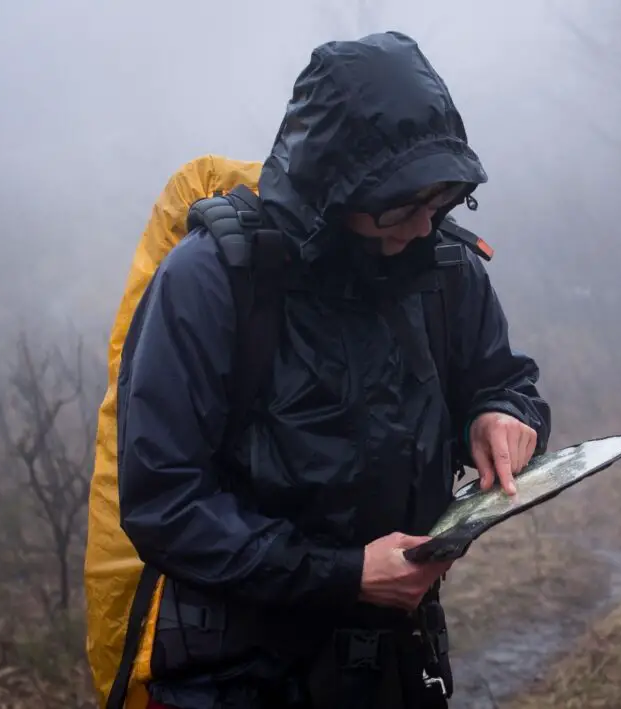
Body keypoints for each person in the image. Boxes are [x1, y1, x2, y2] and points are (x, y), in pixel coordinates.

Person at [115, 30, 551, 709]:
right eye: (400, 205)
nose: (420, 226)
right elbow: (164, 500)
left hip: (394, 666)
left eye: (436, 203)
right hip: (231, 678)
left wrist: (506, 413)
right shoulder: (211, 282)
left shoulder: (444, 269)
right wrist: (344, 574)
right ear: (332, 188)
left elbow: (501, 376)